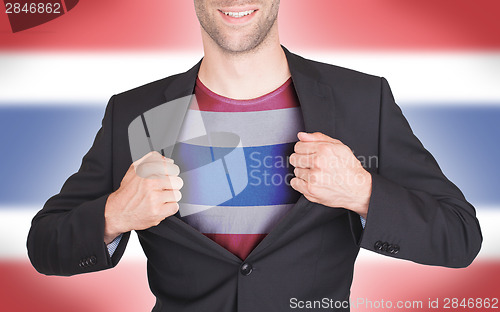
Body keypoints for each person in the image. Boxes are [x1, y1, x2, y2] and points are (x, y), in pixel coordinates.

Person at [27, 1, 482, 311]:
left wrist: (363, 191)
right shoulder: (136, 113)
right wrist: (114, 214)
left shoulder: (362, 100)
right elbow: (45, 245)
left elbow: (460, 236)